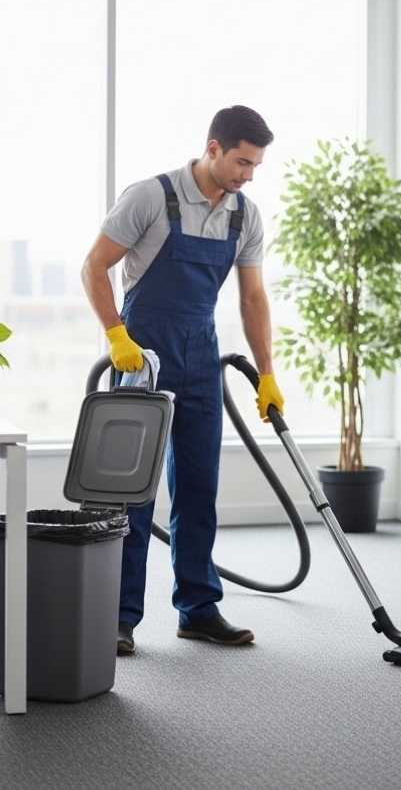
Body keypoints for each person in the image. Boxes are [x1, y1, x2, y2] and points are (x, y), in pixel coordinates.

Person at [81, 105, 285, 656]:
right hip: (141, 357)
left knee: (199, 488)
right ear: (213, 148)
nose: (248, 174)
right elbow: (94, 266)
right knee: (133, 495)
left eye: (256, 165)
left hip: (201, 358)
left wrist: (267, 374)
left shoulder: (245, 215)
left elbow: (252, 297)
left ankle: (198, 608)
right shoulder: (151, 196)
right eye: (242, 161)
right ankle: (119, 616)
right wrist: (117, 337)